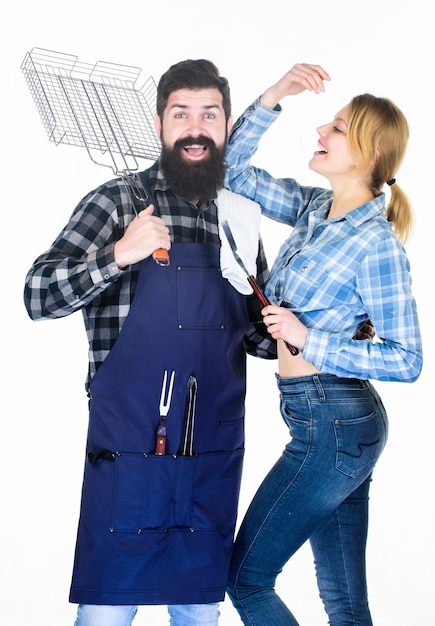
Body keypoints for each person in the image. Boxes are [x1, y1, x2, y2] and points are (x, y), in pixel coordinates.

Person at [23, 59, 276, 626]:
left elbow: (256, 337)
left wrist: (307, 328)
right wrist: (118, 253)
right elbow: (37, 296)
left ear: (226, 125)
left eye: (209, 114)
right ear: (159, 122)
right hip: (129, 453)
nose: (195, 127)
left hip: (210, 450)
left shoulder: (238, 218)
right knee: (108, 612)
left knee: (196, 609)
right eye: (180, 113)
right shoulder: (116, 201)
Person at [223, 63, 423, 625]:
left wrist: (310, 338)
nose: (320, 133)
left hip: (336, 424)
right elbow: (230, 171)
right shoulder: (314, 210)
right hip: (327, 424)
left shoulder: (377, 245)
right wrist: (274, 95)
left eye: (335, 129)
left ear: (365, 151)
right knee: (345, 602)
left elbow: (408, 359)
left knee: (246, 579)